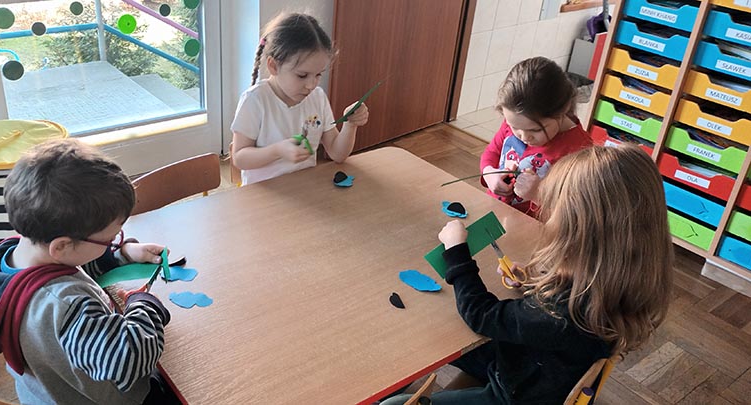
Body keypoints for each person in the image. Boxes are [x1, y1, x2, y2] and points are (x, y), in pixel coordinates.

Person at [383, 145, 673, 404]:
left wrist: (457, 252)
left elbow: (481, 315)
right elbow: (550, 319)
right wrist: (533, 285)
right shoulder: (623, 278)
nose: (549, 215)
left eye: (556, 210)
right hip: (538, 366)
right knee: (432, 335)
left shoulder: (562, 313)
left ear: (581, 232)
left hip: (517, 391)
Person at [0, 139, 178, 404]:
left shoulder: (8, 258)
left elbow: (70, 266)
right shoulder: (65, 305)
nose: (114, 241)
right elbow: (129, 361)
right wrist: (146, 306)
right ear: (61, 246)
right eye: (110, 239)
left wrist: (121, 254)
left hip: (41, 394)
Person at [231, 12, 369, 185]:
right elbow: (240, 158)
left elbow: (337, 154)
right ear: (273, 66)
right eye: (302, 75)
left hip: (304, 189)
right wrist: (277, 151)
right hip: (263, 193)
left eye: (318, 74)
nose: (311, 85)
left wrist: (350, 124)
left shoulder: (317, 98)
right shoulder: (255, 100)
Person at [480, 56, 592, 217]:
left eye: (535, 130)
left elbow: (576, 211)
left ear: (562, 112)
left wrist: (538, 194)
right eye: (514, 127)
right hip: (494, 211)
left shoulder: (580, 149)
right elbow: (492, 152)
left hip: (534, 226)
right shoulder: (518, 120)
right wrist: (489, 173)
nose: (524, 136)